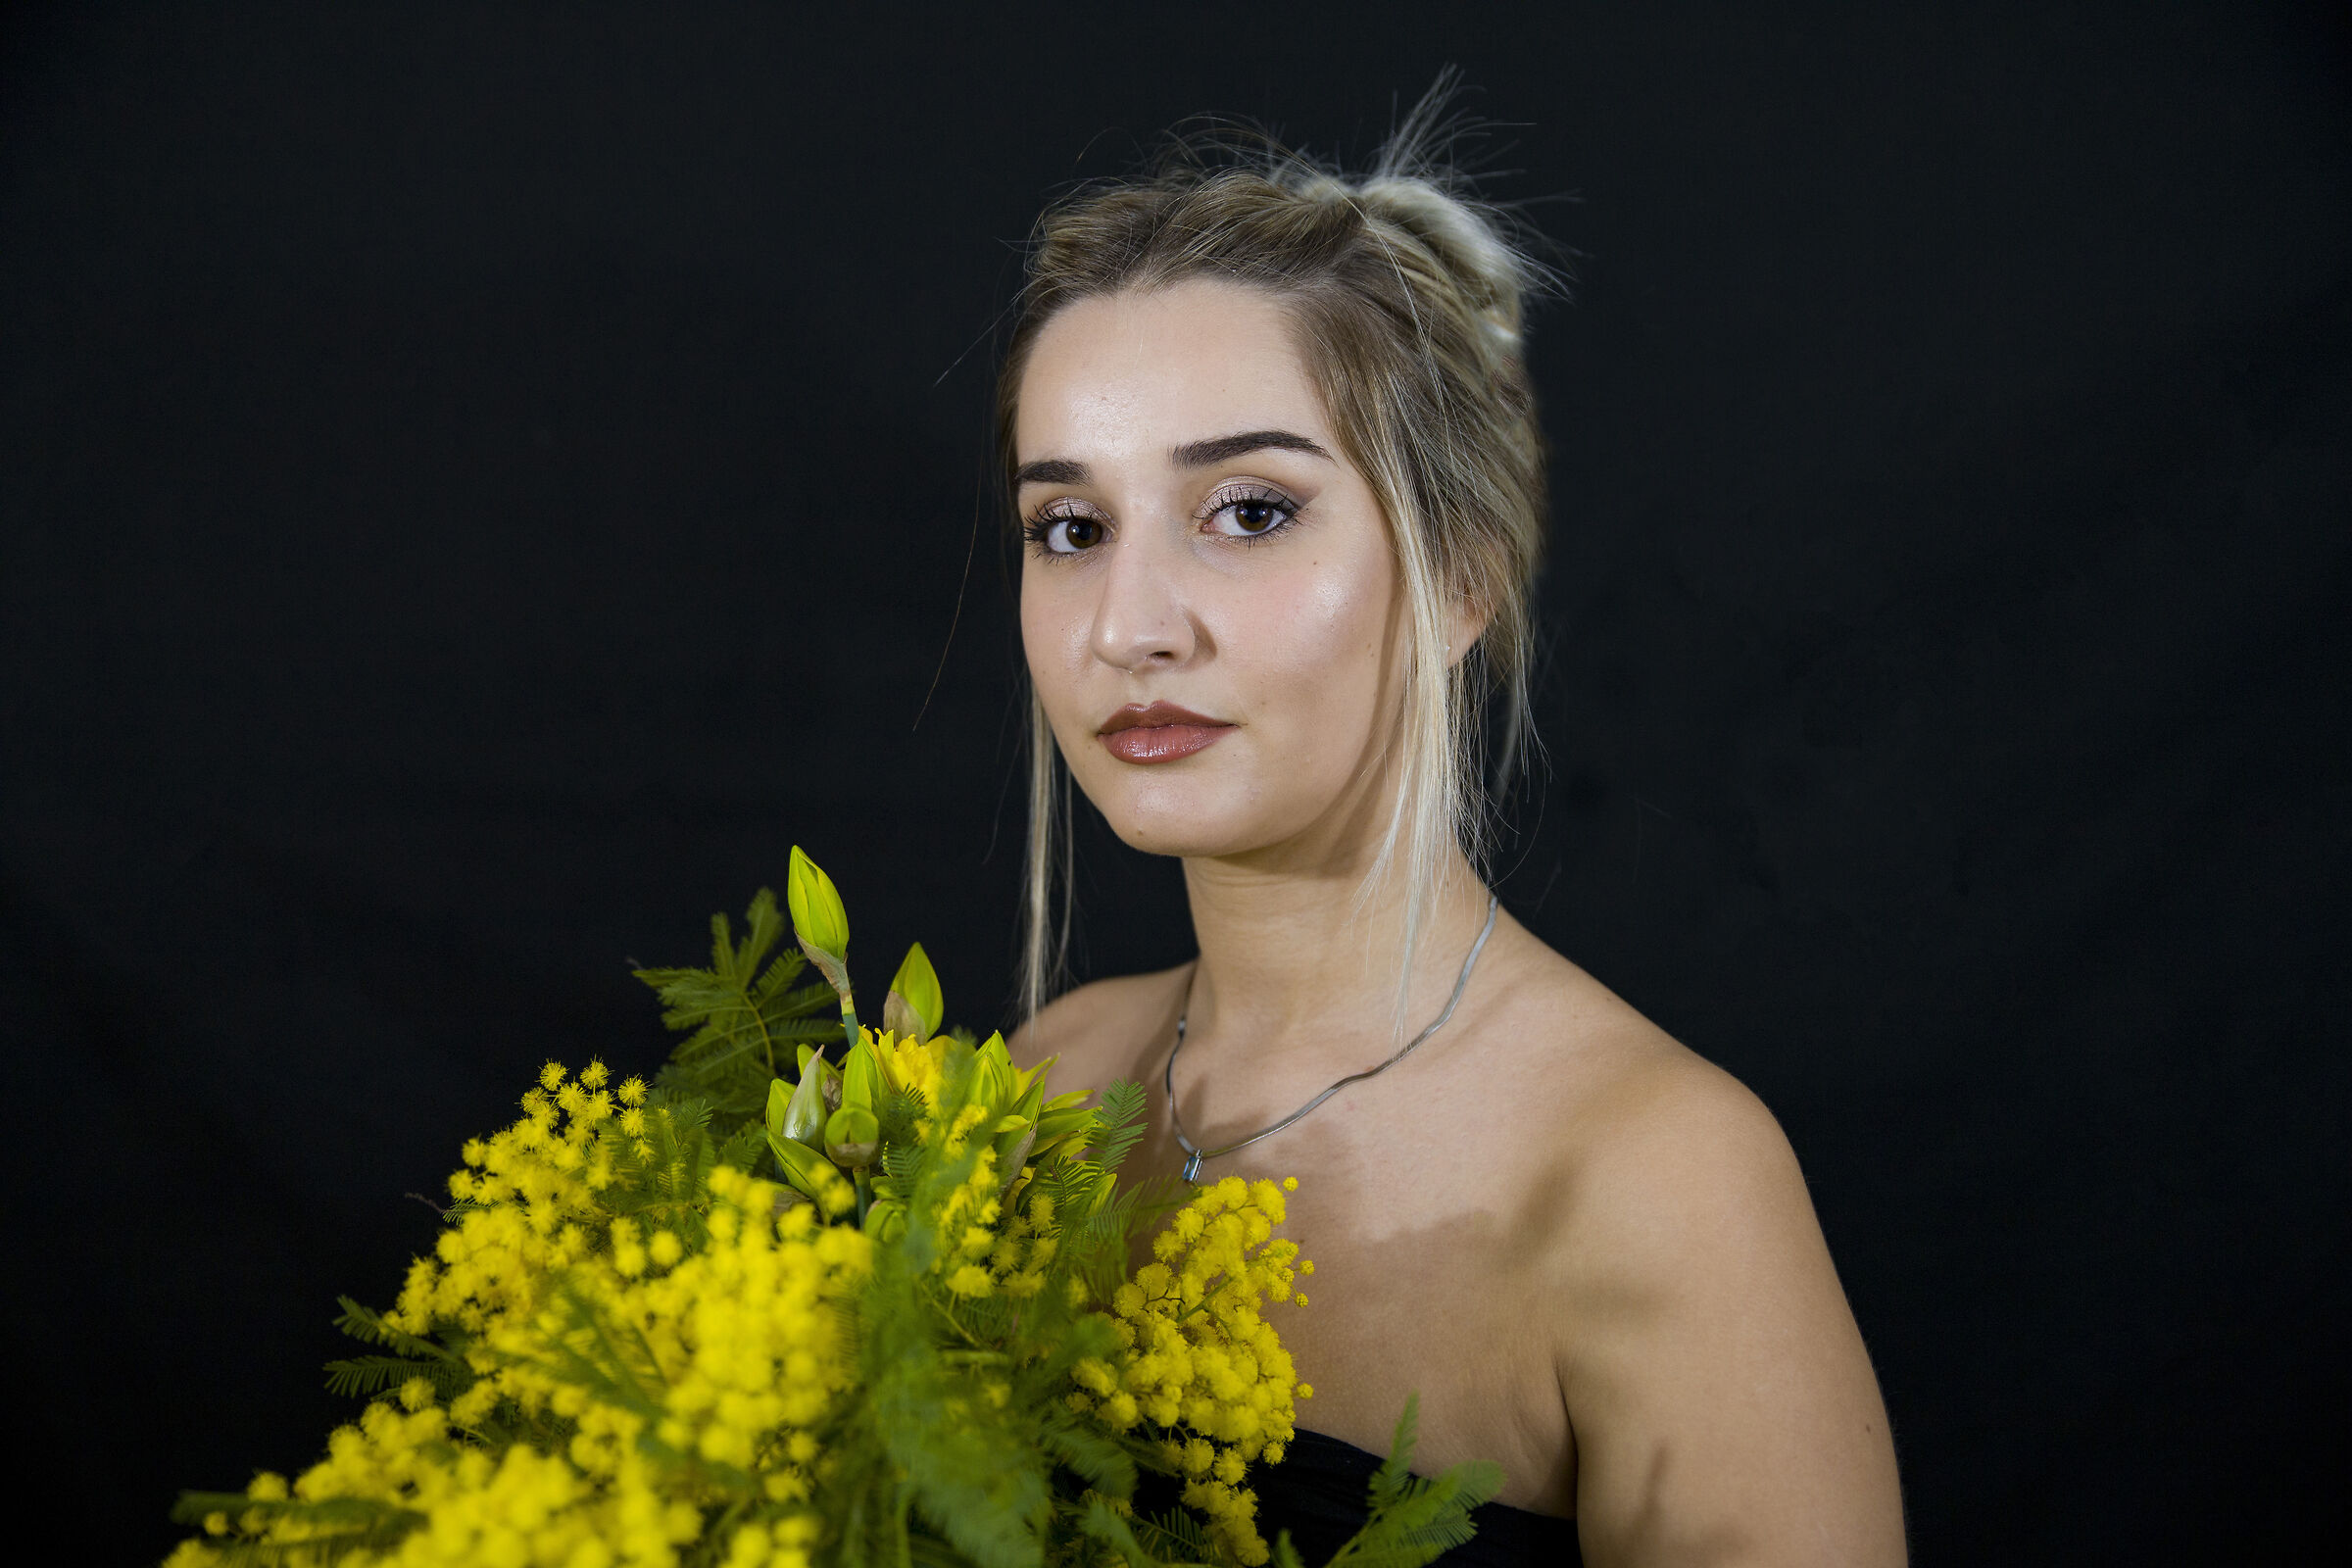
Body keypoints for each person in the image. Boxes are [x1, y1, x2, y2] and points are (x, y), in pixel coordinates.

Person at [1004, 92, 1908, 1568]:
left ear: (1461, 580)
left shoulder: (1655, 1181)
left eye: (1245, 510)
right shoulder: (1049, 1081)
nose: (1129, 625)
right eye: (1071, 527)